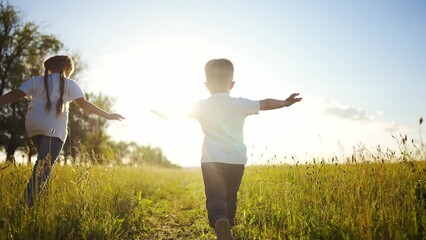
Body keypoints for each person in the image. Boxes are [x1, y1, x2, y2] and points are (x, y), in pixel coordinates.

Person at [154, 58, 302, 240]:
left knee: (216, 196)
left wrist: (163, 113)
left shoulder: (202, 106)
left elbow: (178, 113)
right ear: (232, 84)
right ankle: (227, 226)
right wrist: (285, 102)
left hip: (212, 161)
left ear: (206, 85)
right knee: (230, 195)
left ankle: (220, 221)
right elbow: (266, 104)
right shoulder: (240, 104)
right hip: (236, 160)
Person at [0, 55, 125, 206]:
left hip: (33, 126)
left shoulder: (36, 80)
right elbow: (83, 104)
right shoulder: (69, 84)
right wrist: (107, 115)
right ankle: (24, 207)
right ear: (67, 69)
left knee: (42, 166)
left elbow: (17, 94)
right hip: (54, 129)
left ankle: (38, 204)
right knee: (43, 169)